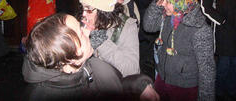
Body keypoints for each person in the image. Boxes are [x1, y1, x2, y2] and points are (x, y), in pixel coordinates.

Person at [22, 13, 159, 101]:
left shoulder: (93, 66)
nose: (88, 30)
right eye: (81, 33)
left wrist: (138, 87)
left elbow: (111, 89)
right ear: (69, 58)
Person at [143, 0, 215, 101]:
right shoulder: (168, 17)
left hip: (184, 87)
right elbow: (148, 27)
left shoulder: (200, 29)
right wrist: (157, 4)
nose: (164, 4)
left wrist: (205, 97)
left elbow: (207, 69)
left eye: (169, 1)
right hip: (162, 78)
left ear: (183, 3)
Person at [78, 0, 140, 77]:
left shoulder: (127, 27)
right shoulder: (83, 22)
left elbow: (131, 70)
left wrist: (101, 41)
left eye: (88, 9)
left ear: (104, 10)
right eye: (82, 7)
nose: (83, 14)